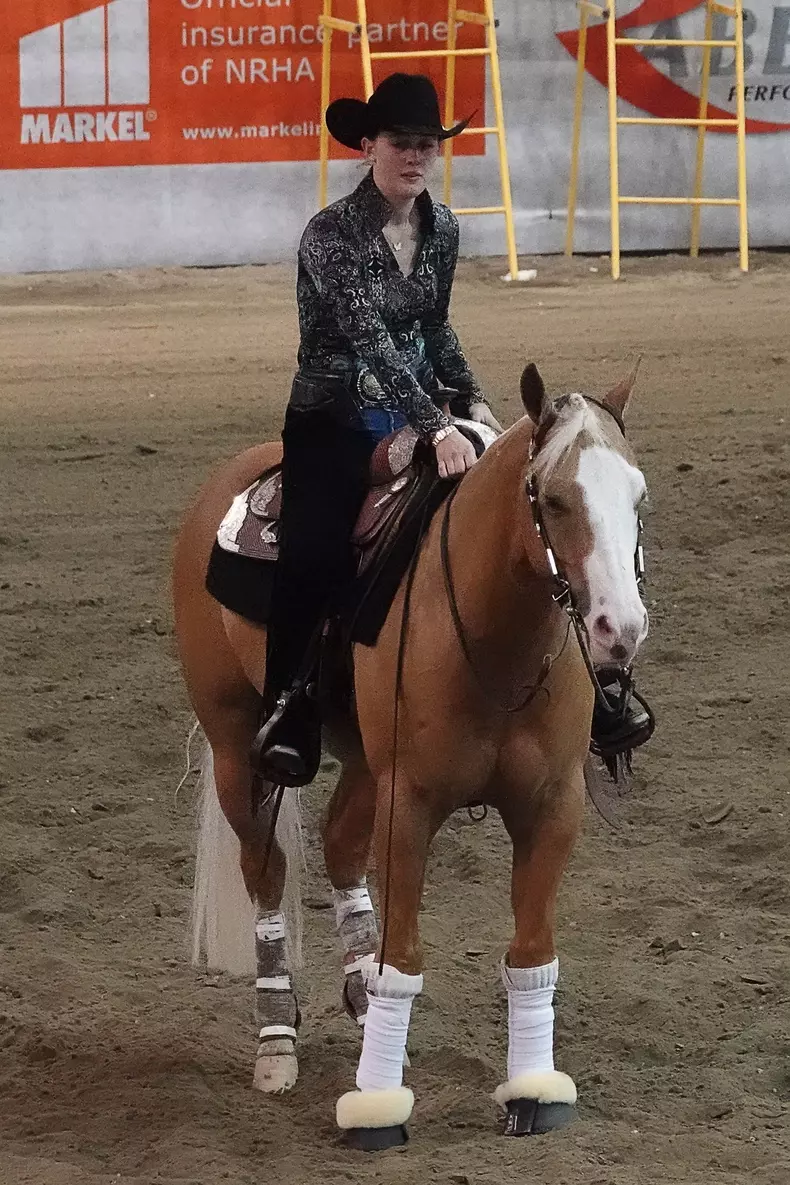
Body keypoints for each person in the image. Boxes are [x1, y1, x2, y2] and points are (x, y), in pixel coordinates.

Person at [253, 73, 500, 787]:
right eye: (401, 143)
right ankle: (290, 707)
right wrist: (435, 425)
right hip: (332, 416)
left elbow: (433, 326)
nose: (415, 157)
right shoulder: (329, 234)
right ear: (369, 146)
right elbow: (370, 341)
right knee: (316, 549)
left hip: (420, 406)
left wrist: (474, 402)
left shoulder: (444, 228)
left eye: (427, 145)